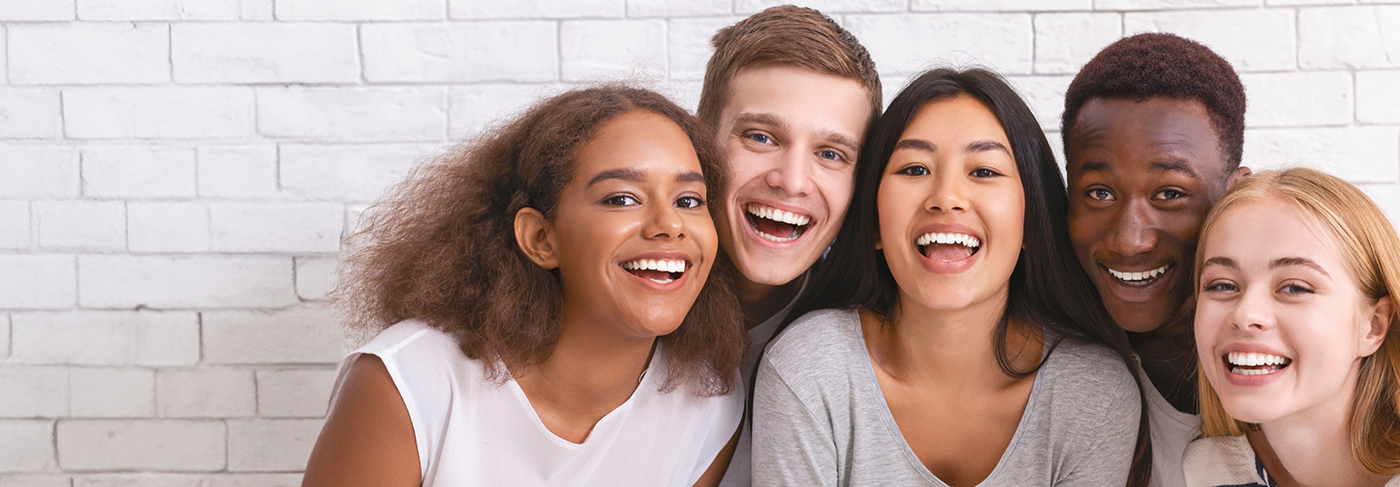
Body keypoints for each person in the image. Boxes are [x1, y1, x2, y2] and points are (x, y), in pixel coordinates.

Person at [301, 86, 750, 487]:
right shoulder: (409, 384)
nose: (670, 224)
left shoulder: (709, 403)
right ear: (540, 238)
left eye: (689, 200)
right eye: (621, 199)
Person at [752, 67, 1151, 486]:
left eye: (984, 171)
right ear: (873, 222)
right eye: (915, 169)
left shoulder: (1093, 394)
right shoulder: (809, 369)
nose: (946, 198)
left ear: (1032, 222)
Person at [694, 6, 881, 485]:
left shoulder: (866, 351)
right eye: (760, 136)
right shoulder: (618, 304)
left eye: (830, 154)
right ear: (700, 139)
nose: (792, 180)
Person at [1061, 32, 1253, 487]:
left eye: (1169, 194)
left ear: (1235, 194)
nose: (1130, 241)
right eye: (1099, 193)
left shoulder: (1297, 357)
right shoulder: (1056, 367)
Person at [1185, 167, 1400, 487]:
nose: (1245, 314)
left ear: (1373, 326)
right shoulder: (1207, 471)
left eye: (1295, 288)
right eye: (1222, 285)